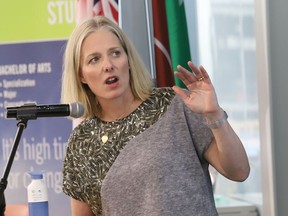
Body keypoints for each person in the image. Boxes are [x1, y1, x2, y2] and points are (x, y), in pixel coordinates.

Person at [61, 16, 250, 216]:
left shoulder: (174, 105)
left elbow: (239, 171)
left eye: (115, 53)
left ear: (128, 60)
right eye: (94, 59)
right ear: (81, 75)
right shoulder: (81, 141)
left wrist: (214, 115)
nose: (108, 65)